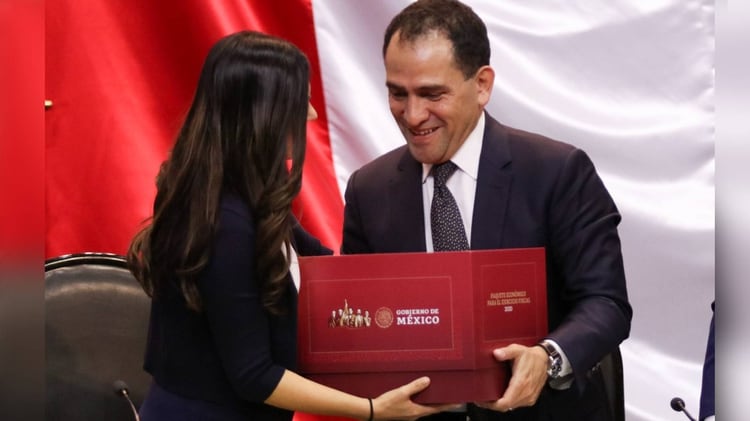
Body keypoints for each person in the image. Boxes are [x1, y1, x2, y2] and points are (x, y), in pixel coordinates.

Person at [127, 30, 453, 421]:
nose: (311, 113)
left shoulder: (249, 193)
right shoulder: (225, 221)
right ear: (259, 113)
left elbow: (324, 271)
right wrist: (371, 410)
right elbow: (255, 376)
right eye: (299, 101)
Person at [341, 1, 633, 420]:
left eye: (431, 94)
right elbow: (362, 321)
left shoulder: (556, 172)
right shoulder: (368, 190)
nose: (412, 115)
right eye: (397, 93)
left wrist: (546, 358)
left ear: (482, 84)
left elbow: (605, 303)